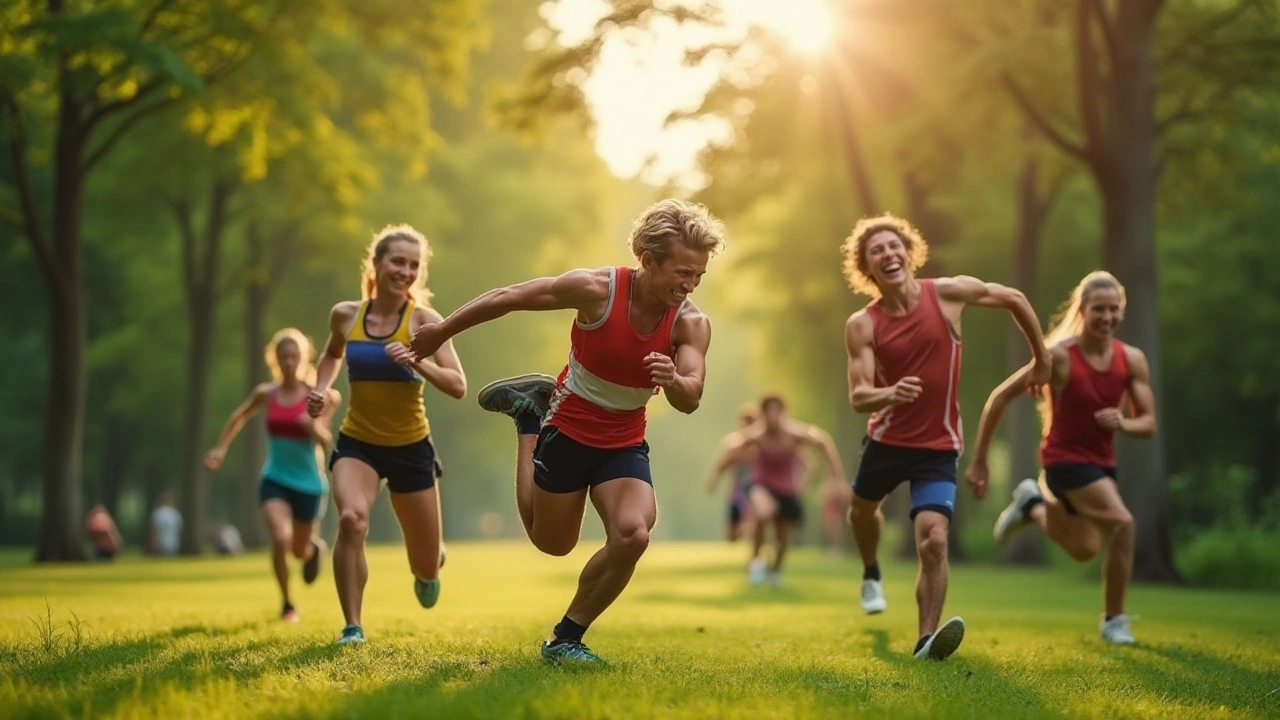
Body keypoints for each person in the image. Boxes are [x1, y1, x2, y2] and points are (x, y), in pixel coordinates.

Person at [408, 198, 724, 665]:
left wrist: (673, 379)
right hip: (569, 428)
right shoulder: (596, 289)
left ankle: (565, 638)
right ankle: (529, 420)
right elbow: (507, 298)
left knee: (633, 535)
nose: (690, 284)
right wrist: (440, 334)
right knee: (553, 544)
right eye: (682, 272)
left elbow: (691, 397)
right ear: (648, 259)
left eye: (698, 275)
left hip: (624, 440)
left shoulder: (691, 324)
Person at [841, 213, 1050, 660]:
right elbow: (859, 397)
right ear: (867, 268)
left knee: (933, 539)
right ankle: (871, 571)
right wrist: (890, 393)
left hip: (937, 447)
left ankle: (925, 640)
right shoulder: (863, 324)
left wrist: (1042, 358)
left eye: (894, 245)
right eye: (876, 250)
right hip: (886, 442)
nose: (887, 254)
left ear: (908, 252)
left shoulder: (949, 294)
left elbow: (1013, 297)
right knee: (861, 515)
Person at [965, 270, 1154, 646]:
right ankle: (1114, 621)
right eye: (1099, 309)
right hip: (1063, 460)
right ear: (1083, 310)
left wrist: (1123, 423)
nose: (1107, 317)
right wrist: (980, 460)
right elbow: (999, 398)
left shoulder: (1131, 360)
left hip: (1101, 463)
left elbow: (1148, 423)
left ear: (1122, 312)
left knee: (1084, 550)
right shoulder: (1058, 357)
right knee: (1123, 525)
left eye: (1114, 310)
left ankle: (1032, 505)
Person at [307, 224, 466, 645]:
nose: (406, 271)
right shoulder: (346, 315)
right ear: (375, 264)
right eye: (398, 261)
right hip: (358, 442)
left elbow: (457, 385)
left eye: (414, 265)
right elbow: (331, 354)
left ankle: (431, 564)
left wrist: (417, 361)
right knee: (350, 519)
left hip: (411, 447)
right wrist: (320, 389)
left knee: (426, 564)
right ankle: (352, 627)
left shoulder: (423, 321)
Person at [205, 329, 339, 621]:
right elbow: (239, 416)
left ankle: (313, 551)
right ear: (275, 360)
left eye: (294, 357)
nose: (289, 362)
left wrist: (312, 427)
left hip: (309, 483)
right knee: (279, 538)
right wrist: (220, 449)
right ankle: (288, 604)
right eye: (283, 357)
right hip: (275, 477)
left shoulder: (316, 394)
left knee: (298, 551)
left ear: (303, 359)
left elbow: (327, 441)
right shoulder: (267, 393)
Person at [739, 393, 845, 586]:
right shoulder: (756, 435)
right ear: (762, 414)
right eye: (768, 411)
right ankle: (755, 561)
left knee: (782, 539)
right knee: (764, 512)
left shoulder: (794, 433)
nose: (772, 415)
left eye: (776, 410)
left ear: (783, 412)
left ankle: (773, 571)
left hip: (787, 490)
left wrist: (836, 478)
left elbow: (823, 442)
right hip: (761, 484)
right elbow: (732, 448)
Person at [704, 405, 761, 544]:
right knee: (732, 532)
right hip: (736, 491)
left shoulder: (761, 443)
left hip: (755, 488)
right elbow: (721, 465)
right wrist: (713, 482)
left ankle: (753, 546)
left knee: (752, 520)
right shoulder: (733, 443)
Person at [148, 492, 183, 557]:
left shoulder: (158, 513)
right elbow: (178, 531)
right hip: (174, 544)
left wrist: (153, 545)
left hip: (161, 543)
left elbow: (155, 530)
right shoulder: (176, 514)